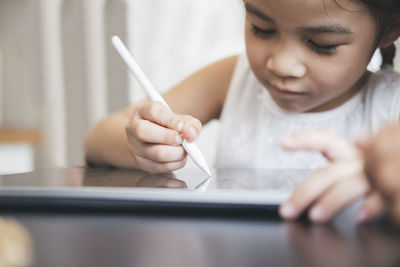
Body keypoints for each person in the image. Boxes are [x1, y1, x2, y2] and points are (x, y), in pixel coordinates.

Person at [85, 0, 400, 223]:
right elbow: (97, 140)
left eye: (321, 44)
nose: (282, 64)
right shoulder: (232, 78)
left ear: (389, 30)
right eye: (262, 29)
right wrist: (141, 142)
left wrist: (382, 179)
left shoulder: (391, 105)